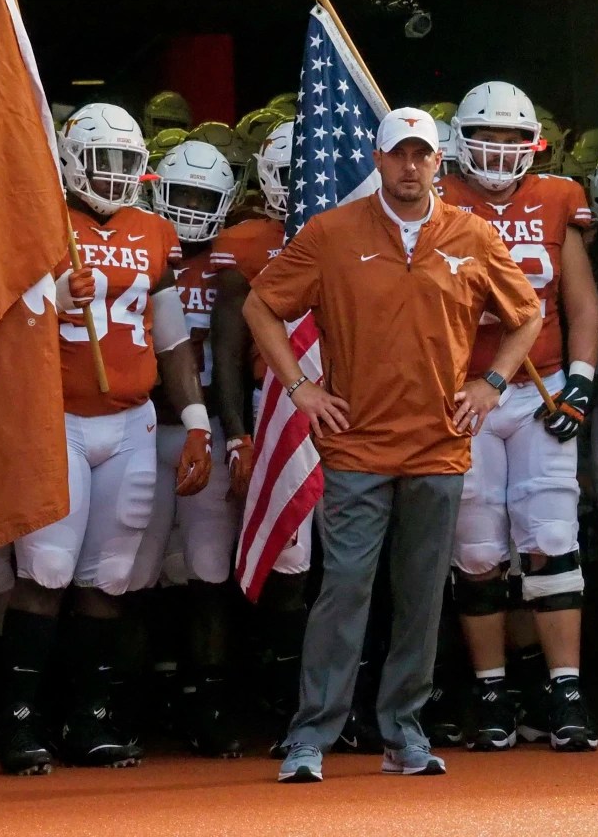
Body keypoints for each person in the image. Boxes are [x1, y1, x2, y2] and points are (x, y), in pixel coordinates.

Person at [242, 107, 542, 783]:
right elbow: (261, 305)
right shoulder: (330, 232)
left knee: (420, 595)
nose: (410, 167)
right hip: (356, 446)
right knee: (344, 590)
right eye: (399, 155)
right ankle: (311, 736)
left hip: (439, 446)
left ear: (441, 163)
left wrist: (493, 383)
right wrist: (300, 388)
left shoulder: (472, 233)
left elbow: (527, 314)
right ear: (377, 161)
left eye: (422, 155)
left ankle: (403, 732)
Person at [0, 102, 212, 775]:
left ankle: (88, 716)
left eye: (127, 162)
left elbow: (173, 337)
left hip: (130, 420)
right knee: (47, 572)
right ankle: (20, 720)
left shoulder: (153, 232)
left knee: (110, 577)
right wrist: (52, 292)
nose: (116, 176)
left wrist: (198, 419)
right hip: (55, 414)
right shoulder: (39, 221)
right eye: (104, 160)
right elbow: (2, 312)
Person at [439, 83, 598, 753]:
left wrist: (584, 386)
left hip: (543, 386)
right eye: (488, 139)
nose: (501, 153)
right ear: (461, 142)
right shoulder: (436, 199)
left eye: (514, 141)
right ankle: (492, 693)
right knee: (477, 552)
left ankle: (564, 690)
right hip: (463, 388)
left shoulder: (557, 198)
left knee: (552, 538)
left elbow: (583, 303)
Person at [130, 141, 243, 757]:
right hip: (142, 428)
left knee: (207, 572)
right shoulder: (141, 251)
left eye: (205, 198)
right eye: (183, 195)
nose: (193, 209)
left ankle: (209, 700)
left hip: (208, 430)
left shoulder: (231, 265)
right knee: (132, 574)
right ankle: (132, 696)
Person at [209, 119, 320, 736]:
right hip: (279, 403)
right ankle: (285, 696)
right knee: (288, 561)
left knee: (354, 559)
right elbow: (226, 350)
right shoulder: (247, 243)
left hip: (357, 406)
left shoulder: (360, 231)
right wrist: (235, 432)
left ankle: (347, 695)